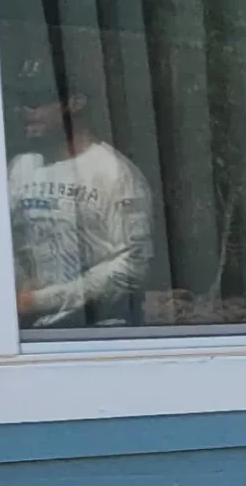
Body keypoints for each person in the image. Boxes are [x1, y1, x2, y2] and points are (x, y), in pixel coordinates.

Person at [8, 62, 154, 329]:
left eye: (37, 101)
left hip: (95, 337)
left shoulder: (113, 173)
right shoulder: (21, 166)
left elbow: (132, 264)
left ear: (75, 102)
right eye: (20, 101)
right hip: (26, 334)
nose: (25, 112)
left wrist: (39, 301)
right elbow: (2, 240)